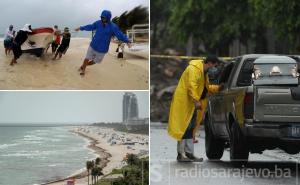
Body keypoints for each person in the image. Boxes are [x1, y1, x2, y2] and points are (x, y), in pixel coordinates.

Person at [168, 56, 223, 162]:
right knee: (184, 127)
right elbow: (191, 86)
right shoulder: (194, 69)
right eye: (215, 66)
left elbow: (205, 87)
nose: (214, 69)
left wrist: (218, 88)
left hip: (192, 103)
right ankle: (181, 154)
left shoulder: (203, 71)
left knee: (191, 127)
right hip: (186, 102)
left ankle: (189, 153)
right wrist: (196, 101)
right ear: (210, 63)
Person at [75, 9, 132, 76]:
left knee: (95, 62)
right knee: (87, 58)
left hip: (102, 49)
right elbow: (90, 26)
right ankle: (83, 70)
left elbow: (119, 34)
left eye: (104, 17)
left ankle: (83, 66)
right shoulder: (98, 23)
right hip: (93, 45)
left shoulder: (113, 27)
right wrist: (81, 28)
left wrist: (127, 41)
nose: (102, 19)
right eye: (101, 17)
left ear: (108, 18)